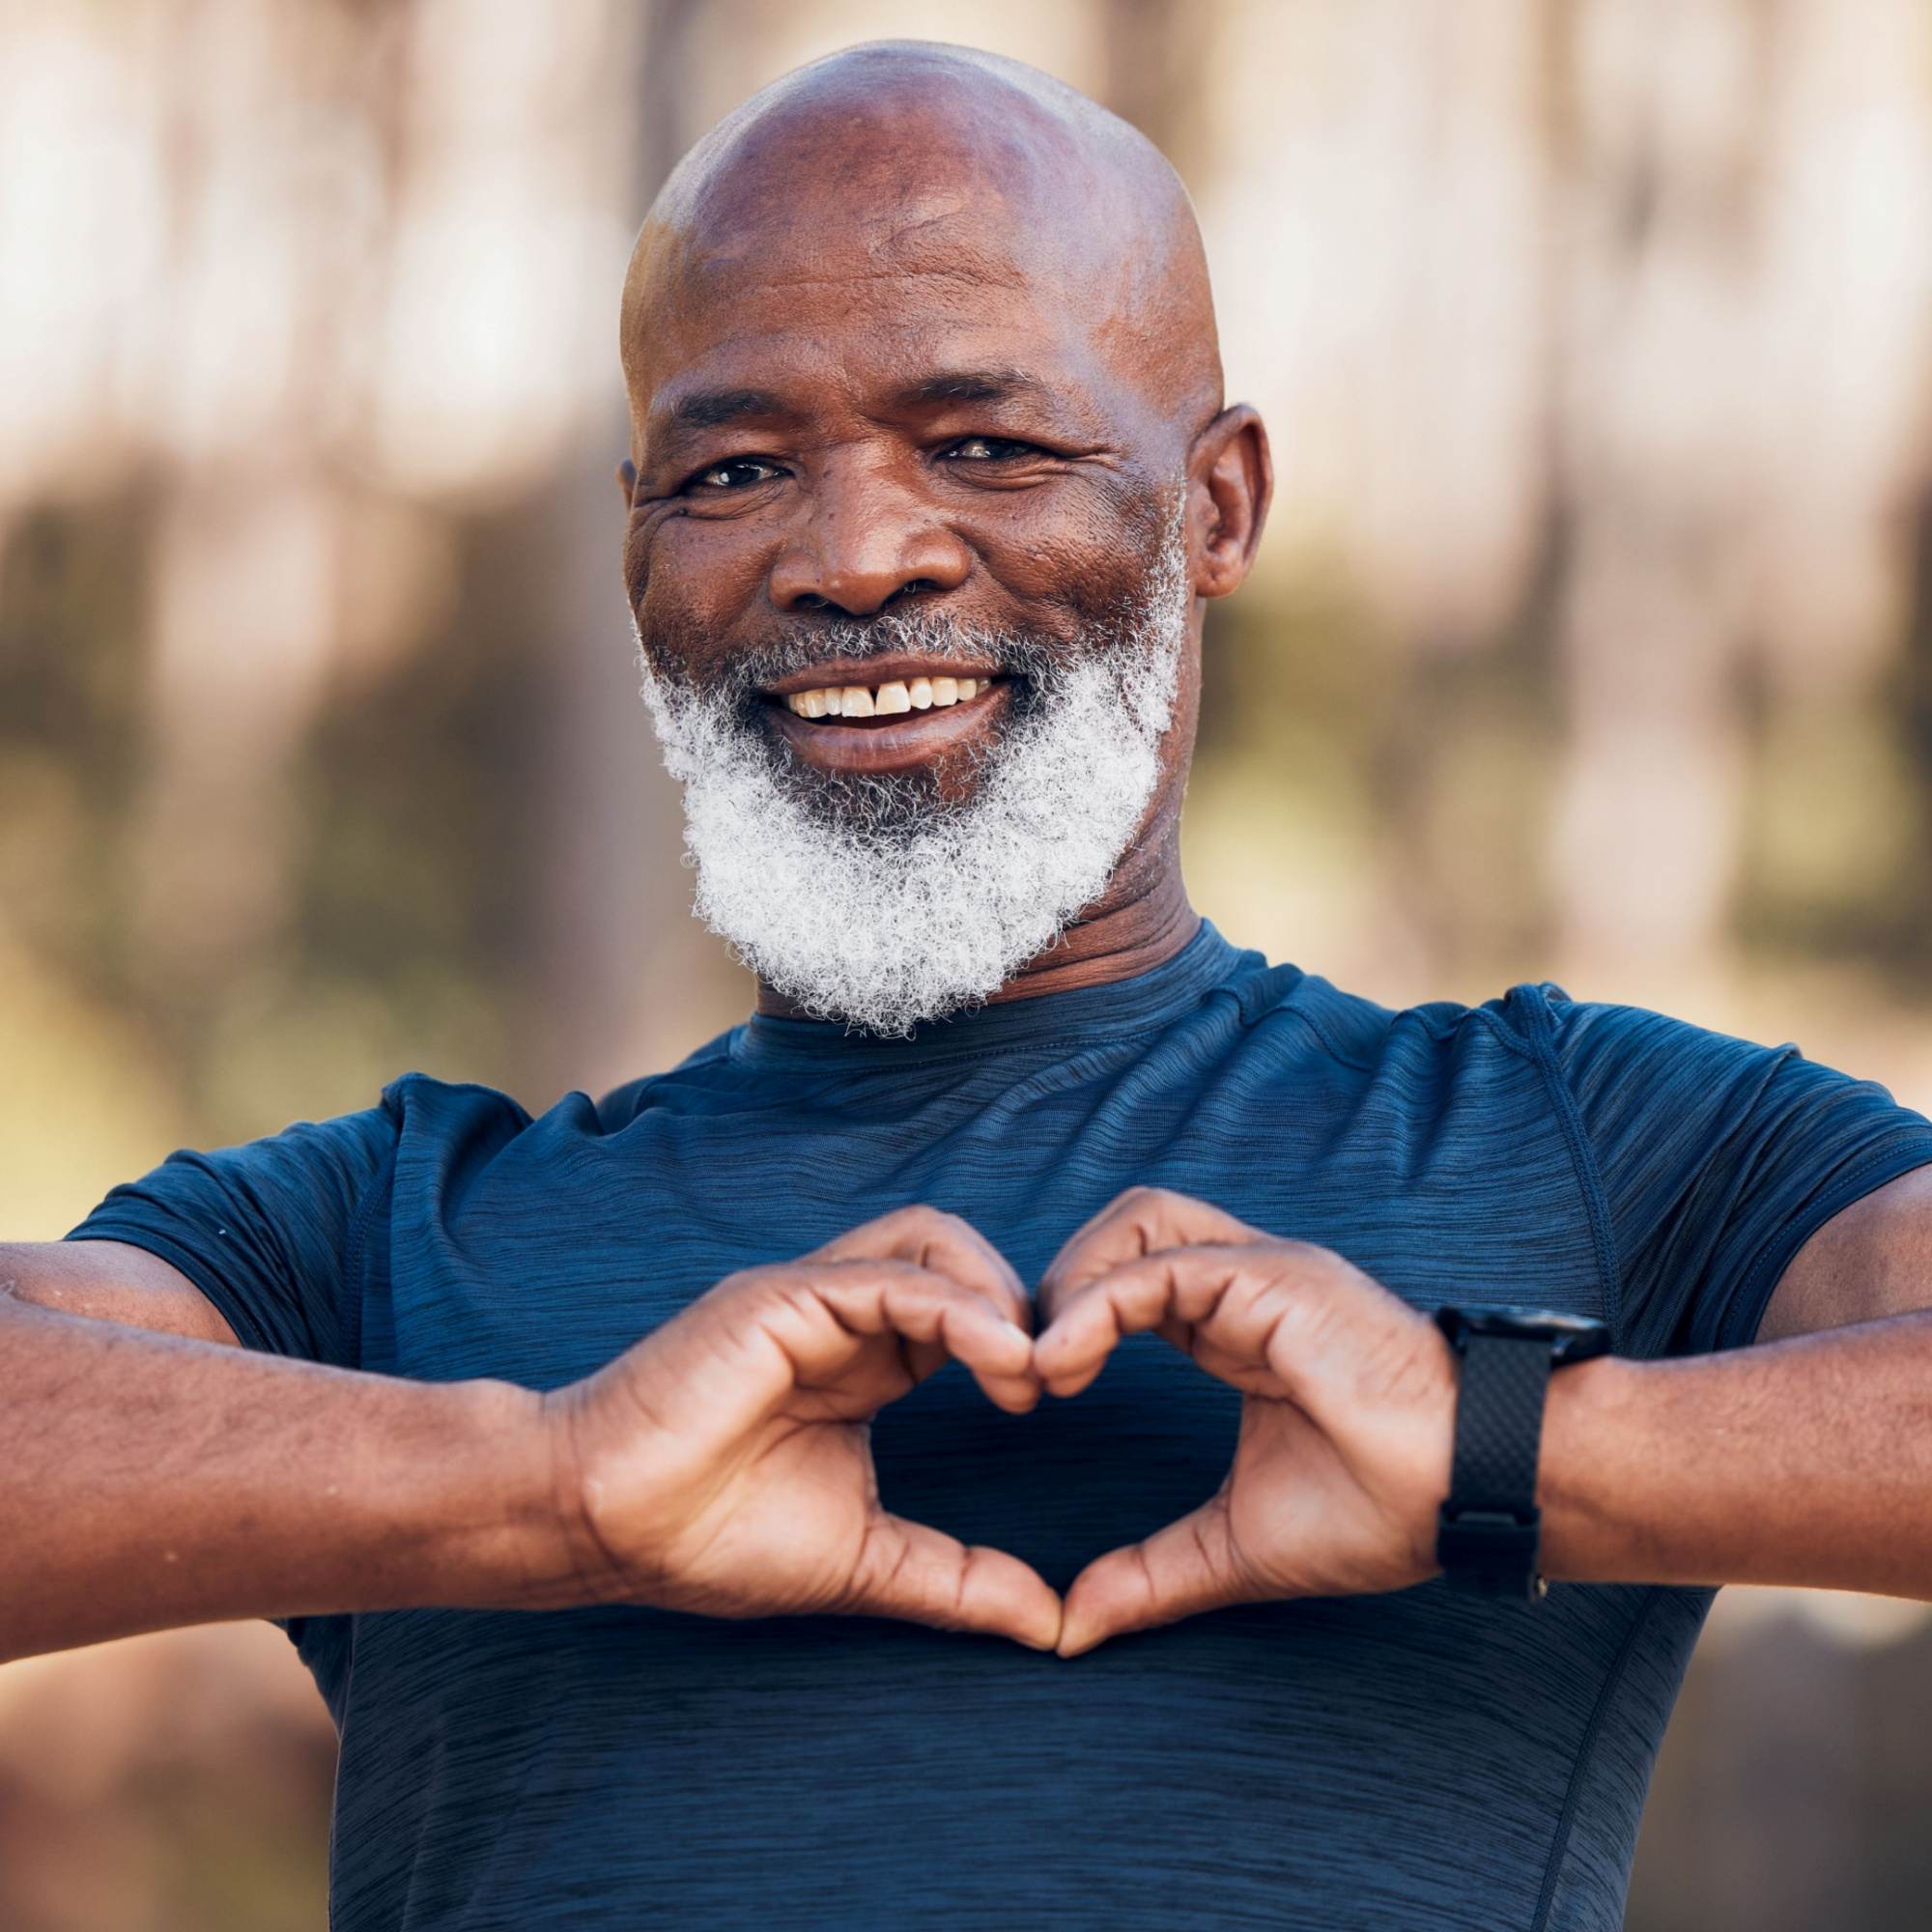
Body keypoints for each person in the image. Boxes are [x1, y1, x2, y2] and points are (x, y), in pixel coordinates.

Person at [4, 40, 1931, 1932]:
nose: (851, 557)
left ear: (1218, 507)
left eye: (984, 445)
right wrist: (545, 1486)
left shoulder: (1600, 1146)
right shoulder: (376, 1236)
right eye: (736, 467)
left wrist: (1507, 1447)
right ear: (636, 549)